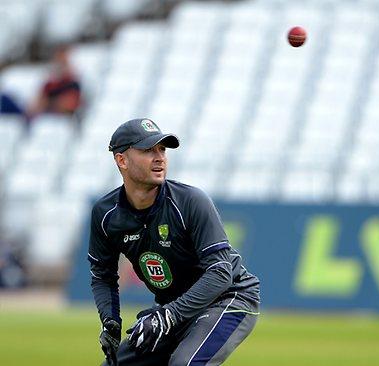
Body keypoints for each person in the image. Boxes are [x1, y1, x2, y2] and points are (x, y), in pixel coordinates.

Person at [88, 118, 260, 365]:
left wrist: (169, 314)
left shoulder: (190, 201)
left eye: (162, 149)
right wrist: (111, 322)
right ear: (121, 160)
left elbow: (221, 272)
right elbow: (103, 274)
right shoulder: (105, 214)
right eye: (148, 150)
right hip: (174, 309)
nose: (159, 157)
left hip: (228, 297)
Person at [28, 46, 82, 117]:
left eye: (63, 62)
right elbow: (35, 105)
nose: (60, 65)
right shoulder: (50, 84)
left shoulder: (73, 82)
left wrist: (50, 103)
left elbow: (71, 103)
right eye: (58, 61)